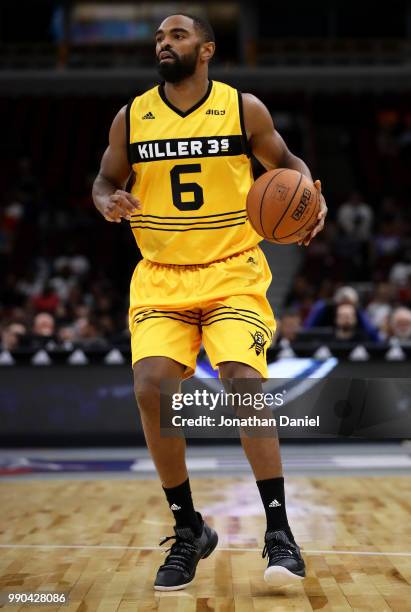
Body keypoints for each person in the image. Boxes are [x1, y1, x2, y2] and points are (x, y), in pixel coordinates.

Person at [92, 13, 327, 591]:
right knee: (150, 389)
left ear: (206, 49)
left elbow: (287, 165)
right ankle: (188, 528)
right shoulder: (132, 116)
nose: (163, 44)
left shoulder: (243, 108)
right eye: (158, 37)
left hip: (233, 272)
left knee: (244, 381)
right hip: (161, 276)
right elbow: (103, 179)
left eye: (176, 35)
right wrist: (107, 200)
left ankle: (278, 531)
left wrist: (310, 196)